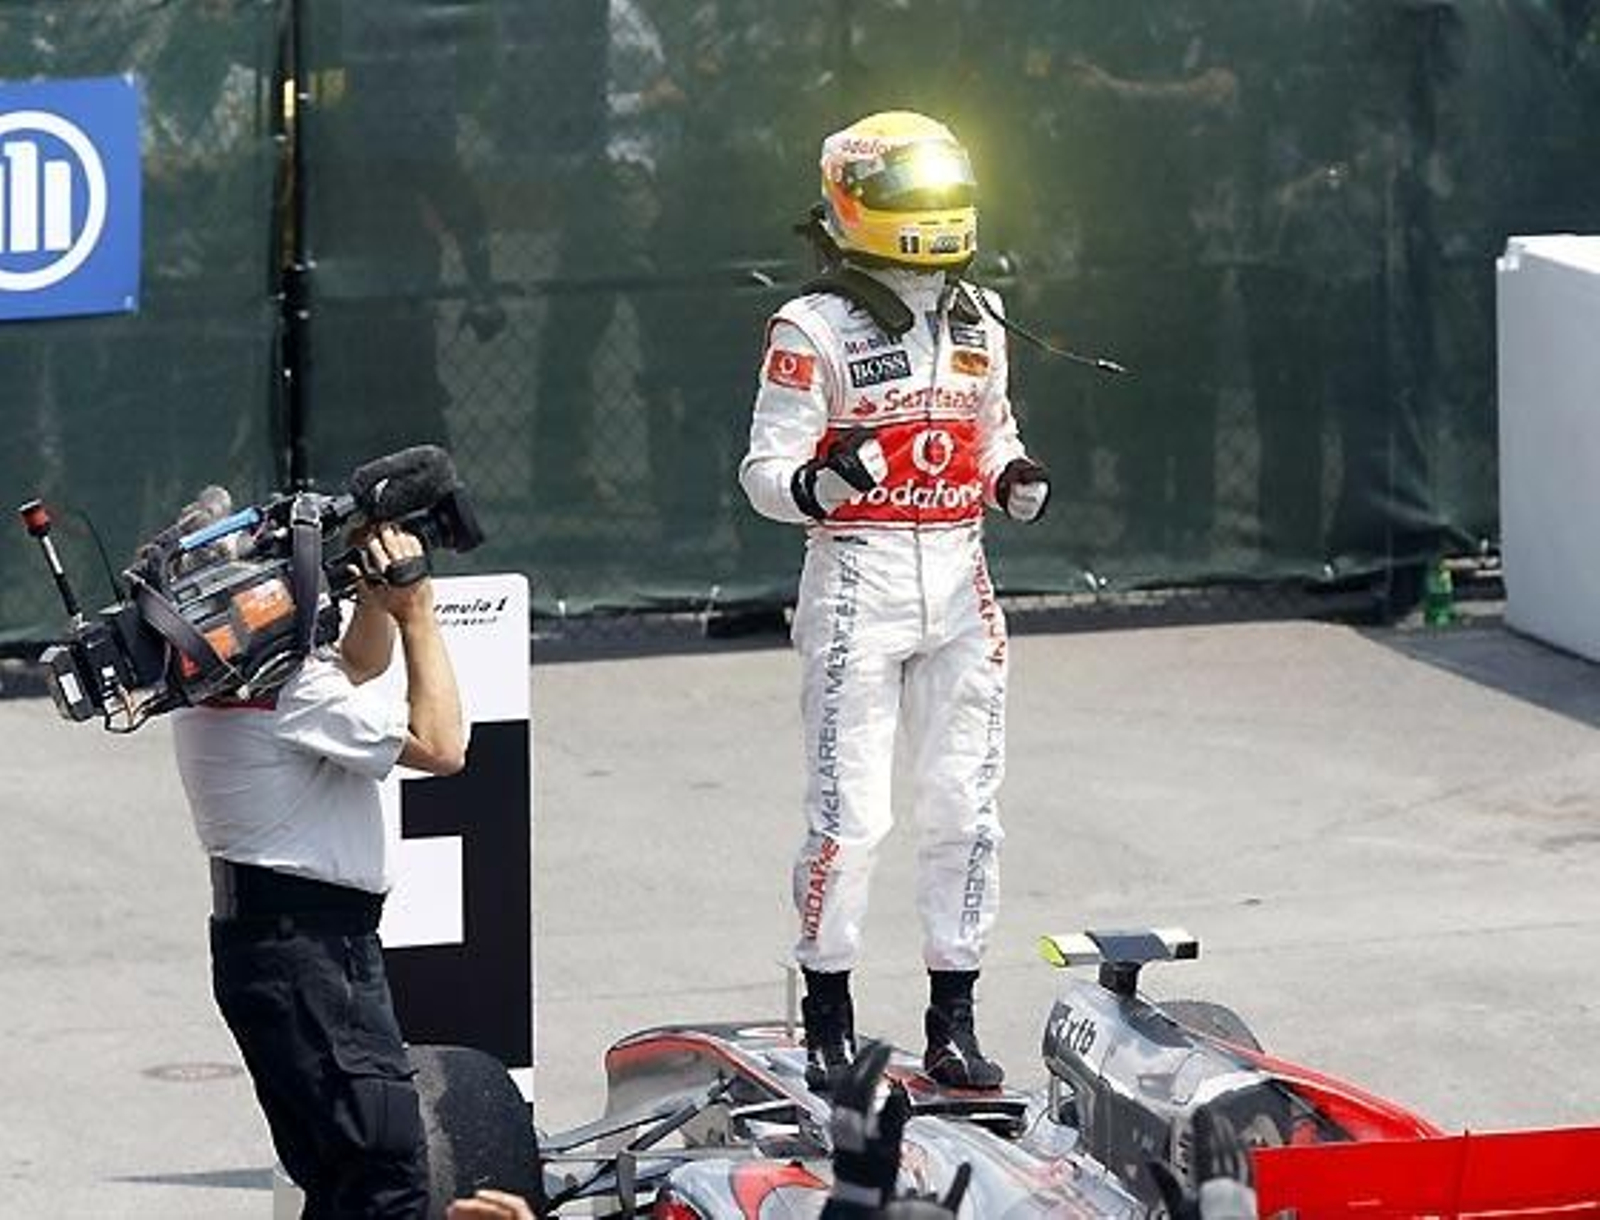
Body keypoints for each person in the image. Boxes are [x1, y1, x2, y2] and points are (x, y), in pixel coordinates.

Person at [739, 111, 1050, 1093]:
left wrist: (1008, 476)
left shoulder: (981, 314)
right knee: (850, 817)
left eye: (944, 191)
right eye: (912, 194)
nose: (934, 210)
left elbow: (992, 432)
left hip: (962, 577)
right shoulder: (810, 327)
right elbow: (764, 472)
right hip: (855, 579)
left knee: (967, 808)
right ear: (854, 201)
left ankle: (953, 1017)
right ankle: (827, 1014)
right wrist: (819, 484)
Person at [168, 494, 467, 1217]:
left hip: (283, 956)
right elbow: (443, 745)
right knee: (383, 1178)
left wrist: (376, 601)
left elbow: (356, 666)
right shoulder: (292, 696)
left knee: (344, 1179)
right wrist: (418, 612)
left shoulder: (228, 682)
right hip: (313, 963)